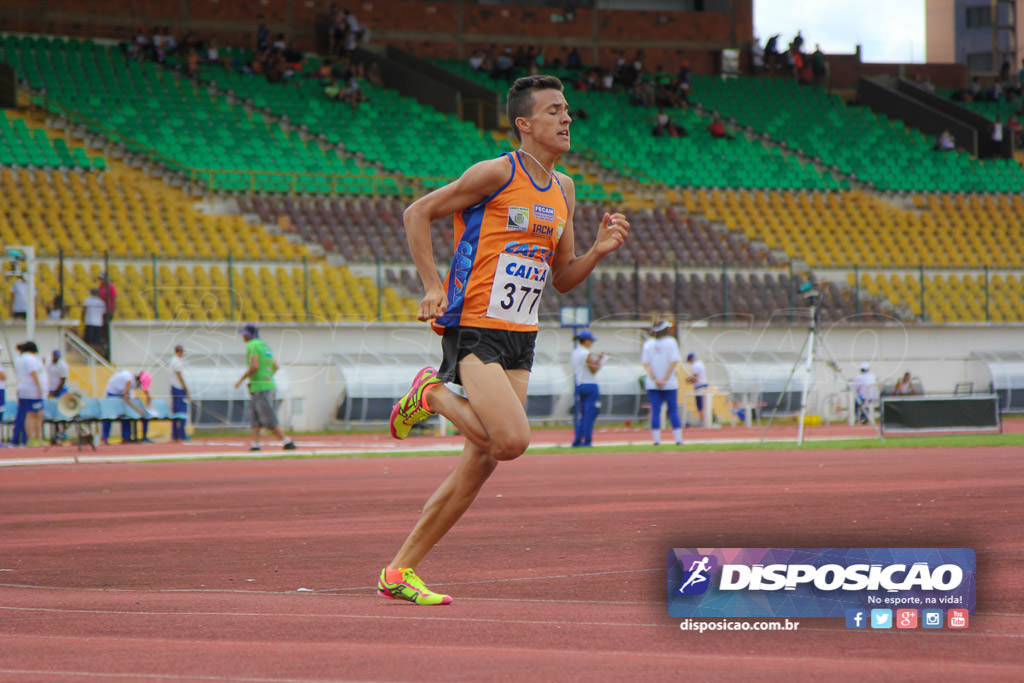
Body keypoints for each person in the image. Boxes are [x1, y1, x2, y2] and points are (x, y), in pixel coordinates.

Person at [379, 74, 629, 606]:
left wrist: (599, 251)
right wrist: (431, 285)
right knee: (510, 442)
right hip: (475, 326)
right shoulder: (496, 172)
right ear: (525, 123)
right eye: (555, 111)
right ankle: (431, 394)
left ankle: (399, 571)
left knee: (485, 457)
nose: (567, 119)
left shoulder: (565, 189)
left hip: (522, 335)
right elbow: (416, 212)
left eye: (569, 111)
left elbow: (562, 277)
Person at [234, 324, 297, 452]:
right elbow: (275, 366)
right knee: (254, 416)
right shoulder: (264, 345)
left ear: (248, 334)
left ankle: (287, 441)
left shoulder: (252, 346)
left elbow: (254, 365)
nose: (243, 337)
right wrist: (267, 376)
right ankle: (255, 444)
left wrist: (241, 379)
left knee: (267, 416)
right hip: (263, 385)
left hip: (261, 387)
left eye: (244, 334)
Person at [642, 321, 683, 445]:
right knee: (673, 411)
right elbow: (674, 362)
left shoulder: (648, 344)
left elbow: (646, 364)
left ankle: (656, 441)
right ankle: (678, 440)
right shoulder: (671, 343)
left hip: (653, 384)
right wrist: (664, 379)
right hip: (669, 383)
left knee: (656, 411)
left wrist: (656, 379)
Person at [570, 329, 605, 448]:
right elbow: (593, 369)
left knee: (583, 414)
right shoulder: (586, 353)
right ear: (586, 341)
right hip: (590, 385)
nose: (592, 343)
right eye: (591, 341)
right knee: (590, 415)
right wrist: (601, 360)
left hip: (579, 384)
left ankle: (577, 440)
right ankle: (587, 441)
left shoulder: (575, 352)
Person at [101, 369, 151, 445]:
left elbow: (144, 391)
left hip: (121, 392)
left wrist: (148, 397)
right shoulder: (129, 380)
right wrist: (138, 409)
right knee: (109, 415)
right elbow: (126, 399)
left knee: (126, 414)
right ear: (139, 381)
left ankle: (126, 437)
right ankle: (105, 438)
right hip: (112, 393)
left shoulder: (134, 380)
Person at [12, 341, 45, 447]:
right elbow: (33, 373)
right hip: (32, 391)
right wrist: (40, 388)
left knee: (31, 414)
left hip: (23, 390)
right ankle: (32, 438)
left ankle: (25, 438)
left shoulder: (19, 359)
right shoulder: (30, 359)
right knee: (33, 414)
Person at [170, 344, 190, 442]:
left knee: (177, 412)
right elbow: (179, 376)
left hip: (176, 388)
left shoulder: (175, 361)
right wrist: (186, 389)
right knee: (181, 412)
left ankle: (176, 435)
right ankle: (181, 434)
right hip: (178, 388)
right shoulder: (176, 361)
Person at [81, 288, 107, 357]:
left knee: (89, 341)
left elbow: (84, 311)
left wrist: (82, 318)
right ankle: (96, 356)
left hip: (89, 322)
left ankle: (89, 355)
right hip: (98, 323)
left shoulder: (87, 301)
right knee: (97, 342)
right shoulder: (101, 302)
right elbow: (103, 314)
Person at [684, 352, 708, 424]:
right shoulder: (700, 363)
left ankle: (702, 421)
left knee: (700, 405)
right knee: (705, 404)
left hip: (699, 386)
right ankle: (705, 421)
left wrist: (688, 380)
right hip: (704, 385)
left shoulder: (695, 365)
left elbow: (695, 379)